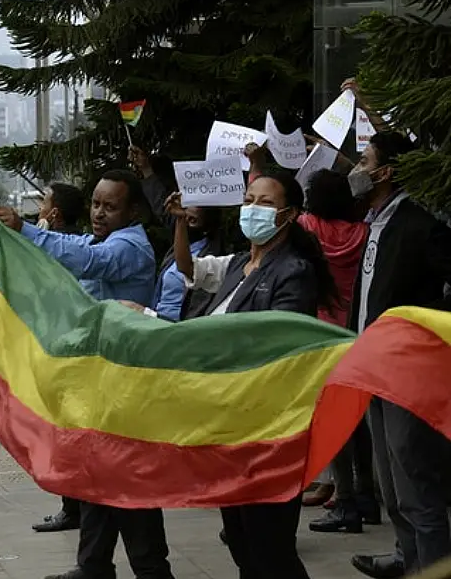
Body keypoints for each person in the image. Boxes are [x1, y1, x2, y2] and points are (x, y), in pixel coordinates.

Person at [0, 169, 172, 579]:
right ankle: (92, 565)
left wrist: (25, 228)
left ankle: (152, 570)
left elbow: (88, 260)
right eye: (95, 203)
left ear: (132, 211)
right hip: (97, 382)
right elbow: (76, 246)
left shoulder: (130, 247)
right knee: (94, 478)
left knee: (129, 483)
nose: (99, 213)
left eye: (110, 207)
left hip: (125, 386)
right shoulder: (103, 238)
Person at [166, 170, 341, 579]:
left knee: (270, 548)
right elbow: (189, 270)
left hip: (267, 428)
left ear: (287, 214)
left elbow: (275, 344)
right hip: (230, 424)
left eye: (264, 202)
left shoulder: (294, 271)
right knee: (242, 540)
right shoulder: (241, 263)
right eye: (249, 199)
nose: (253, 209)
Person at [346, 132, 451, 579]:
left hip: (406, 372)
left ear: (385, 172)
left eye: (364, 160)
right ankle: (407, 559)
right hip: (372, 367)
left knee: (415, 483)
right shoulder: (376, 220)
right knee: (390, 481)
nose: (356, 169)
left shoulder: (419, 224)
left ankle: (432, 566)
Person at [293, 169, 378, 532]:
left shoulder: (307, 226)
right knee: (360, 422)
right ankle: (367, 496)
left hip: (321, 334)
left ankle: (344, 501)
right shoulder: (364, 233)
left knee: (334, 421)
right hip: (357, 331)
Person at [29, 182, 86, 533]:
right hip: (57, 345)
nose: (38, 209)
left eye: (44, 203)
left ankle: (74, 506)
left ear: (55, 212)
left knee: (70, 433)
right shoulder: (47, 240)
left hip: (70, 350)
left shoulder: (66, 247)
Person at [151, 206, 224, 321]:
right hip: (158, 316)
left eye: (192, 220)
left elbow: (198, 309)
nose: (184, 222)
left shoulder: (209, 260)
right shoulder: (177, 250)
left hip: (176, 324)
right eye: (182, 216)